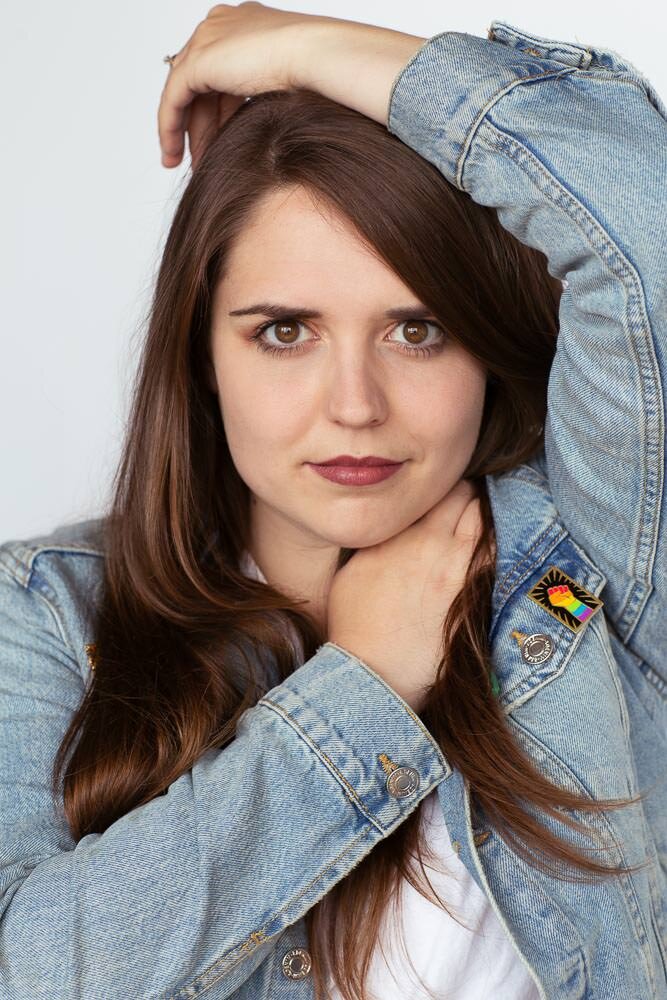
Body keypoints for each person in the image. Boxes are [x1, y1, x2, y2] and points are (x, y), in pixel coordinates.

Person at [1, 5, 665, 999]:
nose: (355, 406)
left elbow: (641, 221)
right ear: (203, 358)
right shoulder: (51, 614)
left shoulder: (572, 591)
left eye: (417, 330)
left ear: (484, 347)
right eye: (283, 332)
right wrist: (360, 687)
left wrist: (309, 49)